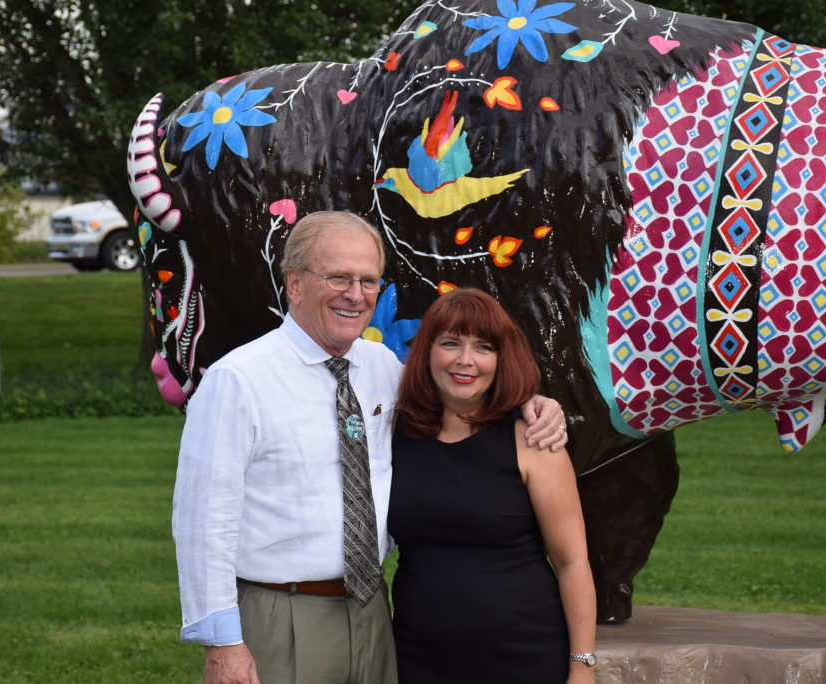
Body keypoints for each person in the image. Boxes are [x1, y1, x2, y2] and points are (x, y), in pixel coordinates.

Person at [172, 211, 568, 684]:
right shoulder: (238, 381)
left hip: (373, 610)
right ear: (294, 284)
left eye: (368, 281)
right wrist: (224, 645)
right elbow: (202, 524)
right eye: (338, 277)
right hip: (282, 613)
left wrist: (531, 401)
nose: (355, 295)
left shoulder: (381, 366)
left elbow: (461, 387)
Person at [388, 287, 597, 684]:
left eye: (483, 347)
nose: (465, 360)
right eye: (450, 343)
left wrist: (581, 666)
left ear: (501, 360)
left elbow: (572, 563)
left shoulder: (533, 441)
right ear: (427, 351)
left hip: (523, 657)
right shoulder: (396, 433)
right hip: (417, 657)